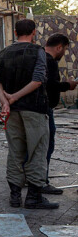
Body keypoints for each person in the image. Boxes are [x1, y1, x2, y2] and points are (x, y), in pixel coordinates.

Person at [0, 19, 57, 209]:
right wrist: (12, 98)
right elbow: (38, 80)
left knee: (15, 151)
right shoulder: (38, 52)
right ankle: (34, 197)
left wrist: (5, 101)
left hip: (13, 112)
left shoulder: (4, 52)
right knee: (37, 151)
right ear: (34, 32)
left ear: (15, 32)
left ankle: (14, 196)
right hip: (34, 109)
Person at [41, 33, 77, 194]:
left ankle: (33, 179)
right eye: (65, 49)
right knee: (46, 146)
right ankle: (41, 181)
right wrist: (67, 85)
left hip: (35, 107)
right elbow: (51, 85)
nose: (64, 54)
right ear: (59, 47)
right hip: (44, 107)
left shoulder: (37, 56)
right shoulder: (50, 61)